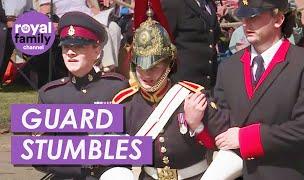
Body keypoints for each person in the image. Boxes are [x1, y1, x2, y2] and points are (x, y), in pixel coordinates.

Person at [112, 1, 228, 179]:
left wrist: (198, 126)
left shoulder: (194, 97)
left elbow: (224, 144)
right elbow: (117, 160)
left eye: (155, 67)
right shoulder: (125, 104)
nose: (147, 74)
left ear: (170, 64)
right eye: (141, 67)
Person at [211, 0, 304, 179]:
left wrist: (246, 138)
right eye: (243, 17)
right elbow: (224, 121)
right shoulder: (229, 66)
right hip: (239, 172)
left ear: (278, 19)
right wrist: (199, 123)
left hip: (286, 172)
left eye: (254, 17)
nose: (246, 24)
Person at [36, 11, 128, 179]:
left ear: (97, 51)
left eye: (78, 46)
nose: (70, 52)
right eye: (66, 46)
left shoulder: (116, 87)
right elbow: (39, 158)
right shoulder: (50, 95)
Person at [159, 0, 221, 89]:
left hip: (210, 84)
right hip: (183, 85)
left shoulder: (209, 4)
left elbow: (212, 37)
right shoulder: (173, 4)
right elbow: (163, 45)